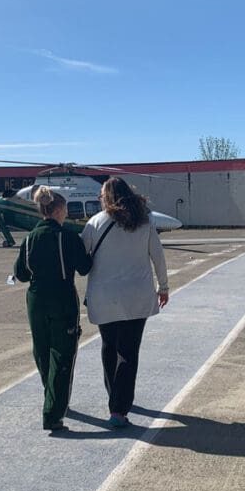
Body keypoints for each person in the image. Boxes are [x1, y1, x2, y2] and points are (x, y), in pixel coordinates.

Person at [81, 177, 169, 429]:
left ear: (106, 198)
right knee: (128, 353)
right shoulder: (144, 223)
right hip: (137, 297)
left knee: (109, 347)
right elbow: (158, 257)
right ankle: (119, 408)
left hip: (104, 297)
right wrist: (163, 287)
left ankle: (114, 398)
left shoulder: (94, 223)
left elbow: (82, 257)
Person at [12, 187, 92, 432]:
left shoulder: (29, 239)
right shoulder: (67, 237)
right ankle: (53, 413)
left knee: (42, 349)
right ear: (58, 210)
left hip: (36, 299)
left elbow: (21, 274)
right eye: (65, 209)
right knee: (63, 353)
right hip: (62, 297)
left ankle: (51, 395)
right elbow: (85, 267)